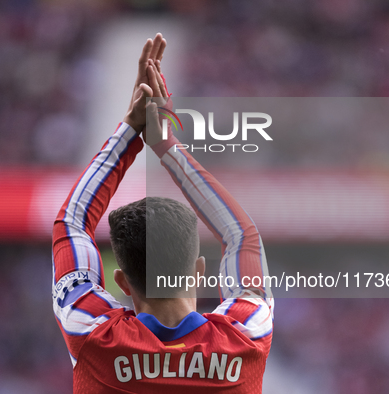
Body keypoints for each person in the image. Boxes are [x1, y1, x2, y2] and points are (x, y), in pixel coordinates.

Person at [52, 33, 273, 393]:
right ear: (199, 271)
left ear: (121, 282)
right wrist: (164, 143)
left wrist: (131, 129)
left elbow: (72, 223)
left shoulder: (91, 332)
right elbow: (241, 235)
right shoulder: (247, 334)